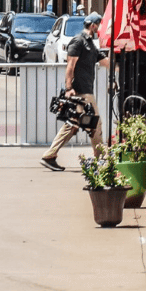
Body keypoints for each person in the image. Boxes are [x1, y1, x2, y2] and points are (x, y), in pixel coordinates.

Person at [41, 12, 110, 172]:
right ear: (93, 25)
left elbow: (105, 62)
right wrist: (68, 88)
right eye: (98, 25)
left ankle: (50, 155)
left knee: (75, 123)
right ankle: (101, 161)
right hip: (80, 91)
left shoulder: (90, 44)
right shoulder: (78, 41)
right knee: (93, 123)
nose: (99, 29)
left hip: (85, 90)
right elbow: (70, 66)